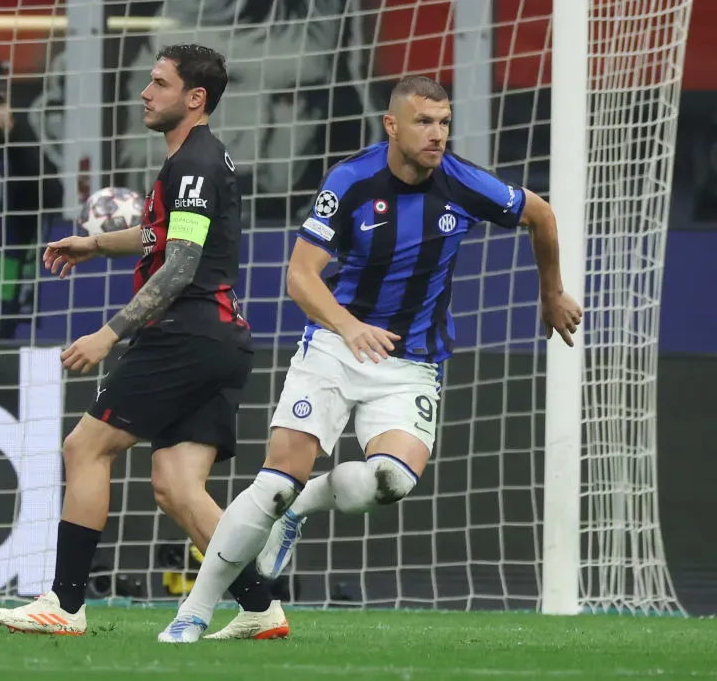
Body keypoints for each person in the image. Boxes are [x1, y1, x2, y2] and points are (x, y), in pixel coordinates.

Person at [157, 75, 583, 643]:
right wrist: (349, 326)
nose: (437, 135)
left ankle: (301, 507)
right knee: (274, 481)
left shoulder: (462, 183)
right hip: (335, 345)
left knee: (389, 482)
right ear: (392, 125)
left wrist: (551, 293)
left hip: (410, 361)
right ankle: (193, 614)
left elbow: (542, 215)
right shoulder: (351, 181)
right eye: (424, 123)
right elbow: (300, 276)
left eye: (444, 123)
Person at [0, 44, 288, 640]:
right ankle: (260, 606)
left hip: (185, 331)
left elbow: (180, 265)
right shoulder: (196, 160)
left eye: (159, 83)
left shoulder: (194, 164)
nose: (145, 94)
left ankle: (65, 603)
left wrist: (107, 334)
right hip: (220, 338)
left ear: (194, 98)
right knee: (177, 486)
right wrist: (95, 245)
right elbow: (163, 236)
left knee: (85, 448)